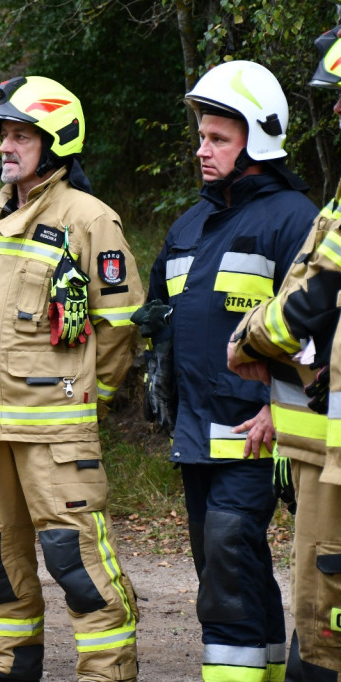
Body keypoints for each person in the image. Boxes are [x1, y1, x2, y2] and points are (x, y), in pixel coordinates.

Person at [0, 75, 142, 682]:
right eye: (3, 134)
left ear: (57, 140)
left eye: (20, 135)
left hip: (56, 431)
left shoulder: (90, 219)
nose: (6, 146)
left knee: (76, 558)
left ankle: (106, 671)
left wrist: (93, 402)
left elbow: (119, 327)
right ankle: (10, 664)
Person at [143, 60, 318, 682]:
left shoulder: (295, 218)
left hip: (256, 429)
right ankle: (266, 666)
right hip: (197, 429)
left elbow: (319, 328)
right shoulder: (191, 223)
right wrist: (154, 360)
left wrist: (281, 405)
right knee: (222, 560)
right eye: (202, 137)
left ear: (259, 141)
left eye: (219, 138)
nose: (203, 150)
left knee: (226, 546)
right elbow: (167, 312)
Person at [227, 29, 341, 681]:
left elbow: (311, 296)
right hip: (315, 447)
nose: (334, 112)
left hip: (330, 455)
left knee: (324, 633)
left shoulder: (296, 210)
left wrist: (248, 340)